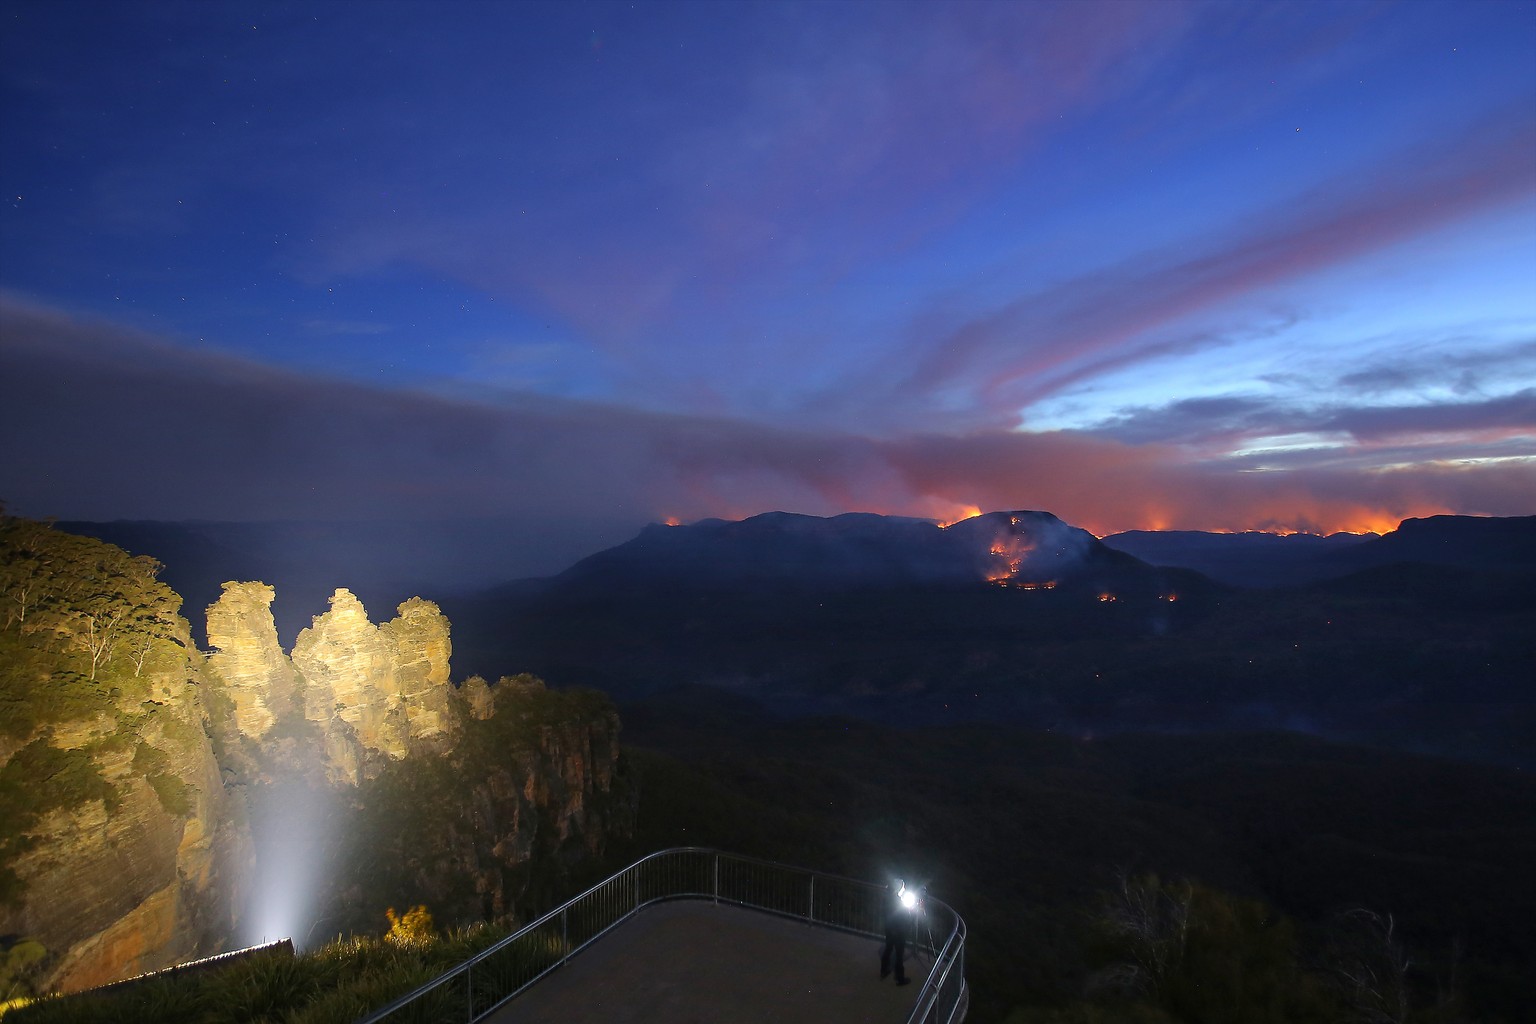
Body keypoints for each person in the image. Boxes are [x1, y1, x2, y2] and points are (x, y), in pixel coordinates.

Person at [880, 879, 911, 985]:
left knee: (888, 948)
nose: (904, 889)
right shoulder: (897, 900)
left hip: (889, 928)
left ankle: (883, 971)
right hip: (898, 930)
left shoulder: (887, 897)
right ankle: (900, 978)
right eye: (903, 887)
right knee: (899, 954)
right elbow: (903, 916)